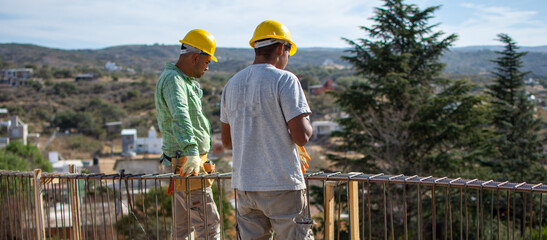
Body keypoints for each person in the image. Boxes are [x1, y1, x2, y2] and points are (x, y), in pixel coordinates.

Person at [220, 20, 314, 239]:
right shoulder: (285, 80)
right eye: (288, 52)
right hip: (282, 184)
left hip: (245, 187)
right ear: (282, 48)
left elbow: (227, 141)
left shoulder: (231, 84)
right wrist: (305, 120)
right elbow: (302, 137)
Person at [154, 29, 220, 240]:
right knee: (209, 226)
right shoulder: (174, 80)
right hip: (188, 164)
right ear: (195, 57)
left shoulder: (182, 80)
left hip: (184, 163)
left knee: (183, 229)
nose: (207, 67)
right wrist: (192, 152)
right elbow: (180, 115)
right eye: (207, 61)